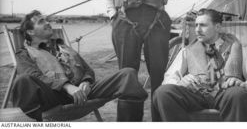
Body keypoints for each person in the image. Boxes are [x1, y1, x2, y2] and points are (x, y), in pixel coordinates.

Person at [12, 10, 148, 122]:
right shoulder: (23, 54)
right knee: (23, 80)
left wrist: (86, 81)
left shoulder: (63, 47)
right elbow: (33, 76)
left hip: (84, 93)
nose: (48, 23)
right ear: (30, 32)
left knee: (128, 74)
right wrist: (67, 86)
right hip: (55, 97)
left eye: (47, 20)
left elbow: (88, 70)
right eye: (41, 21)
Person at [152, 8, 247, 121]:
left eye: (203, 25)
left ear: (217, 27)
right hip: (196, 94)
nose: (197, 30)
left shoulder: (237, 47)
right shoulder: (188, 50)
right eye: (196, 25)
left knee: (238, 94)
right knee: (163, 93)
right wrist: (180, 82)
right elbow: (169, 77)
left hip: (225, 94)